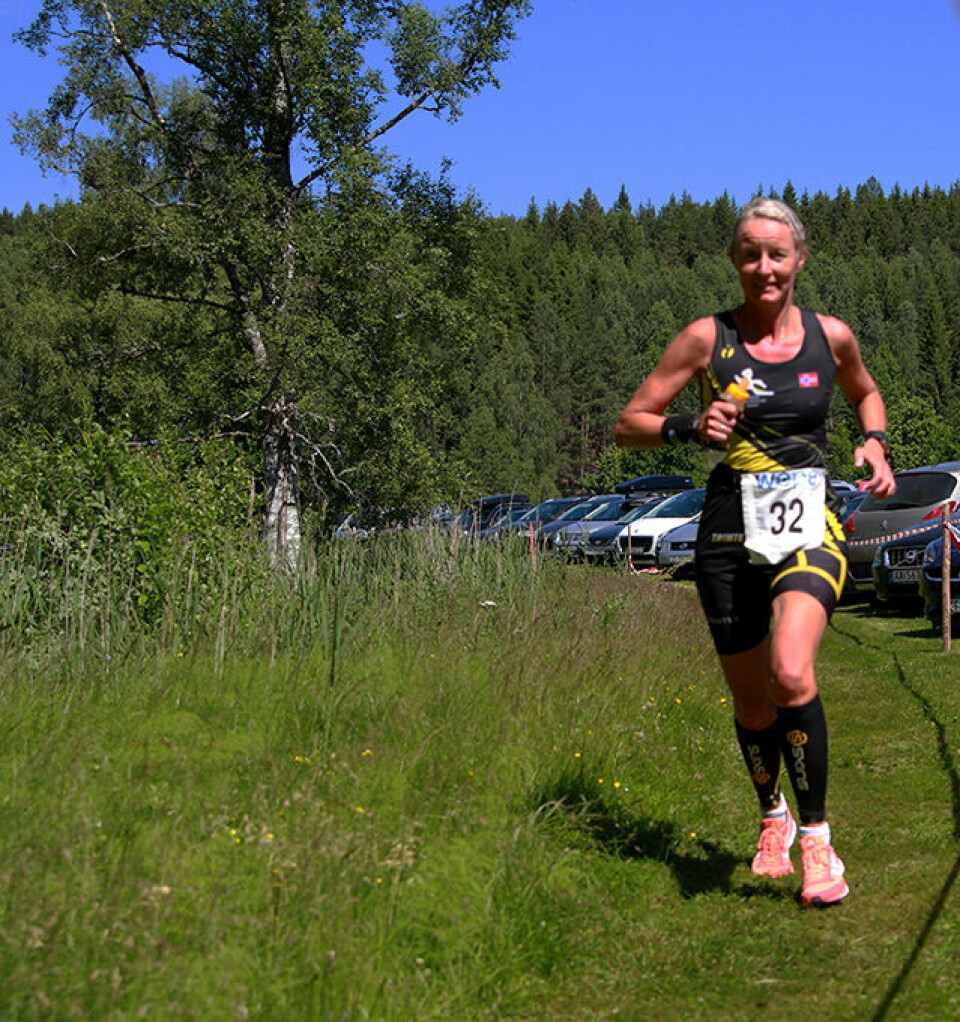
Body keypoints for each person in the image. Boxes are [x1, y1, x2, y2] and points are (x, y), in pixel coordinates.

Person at [614, 197, 896, 907]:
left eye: (777, 253)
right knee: (751, 699)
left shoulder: (831, 337)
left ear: (800, 259)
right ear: (735, 261)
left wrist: (874, 441)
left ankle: (818, 843)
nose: (763, 267)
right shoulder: (707, 339)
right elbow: (629, 425)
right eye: (749, 254)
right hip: (729, 528)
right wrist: (686, 424)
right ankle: (772, 817)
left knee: (791, 673)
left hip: (809, 524)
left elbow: (867, 393)